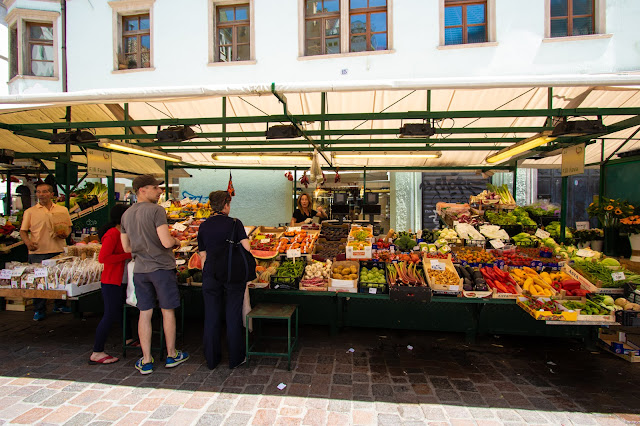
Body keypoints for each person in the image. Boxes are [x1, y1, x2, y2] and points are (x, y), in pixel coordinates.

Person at [121, 174, 189, 375]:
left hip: (141, 269)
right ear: (142, 190)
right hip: (161, 268)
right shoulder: (156, 211)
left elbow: (126, 247)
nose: (160, 191)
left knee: (145, 312)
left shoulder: (126, 215)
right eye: (155, 188)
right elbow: (166, 242)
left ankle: (147, 359)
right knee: (167, 310)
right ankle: (171, 354)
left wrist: (142, 246)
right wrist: (177, 242)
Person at [197, 190, 250, 370]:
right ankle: (235, 358)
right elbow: (247, 248)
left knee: (211, 316)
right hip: (232, 274)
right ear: (226, 204)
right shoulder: (235, 223)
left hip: (210, 273)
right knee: (232, 314)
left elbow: (202, 255)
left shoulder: (203, 226)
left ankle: (212, 359)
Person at [89, 204, 135, 365]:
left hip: (121, 280)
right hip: (112, 281)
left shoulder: (121, 232)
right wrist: (128, 255)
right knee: (110, 315)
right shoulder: (112, 234)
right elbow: (104, 258)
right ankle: (97, 351)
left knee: (123, 313)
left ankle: (128, 339)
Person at [19, 182, 72, 321]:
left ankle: (59, 304)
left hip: (59, 250)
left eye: (44, 192)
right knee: (39, 282)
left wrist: (65, 233)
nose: (41, 194)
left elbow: (68, 227)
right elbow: (23, 231)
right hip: (38, 252)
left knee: (59, 279)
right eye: (38, 192)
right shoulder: (30, 212)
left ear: (51, 194)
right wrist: (28, 243)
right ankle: (39, 309)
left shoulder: (63, 210)